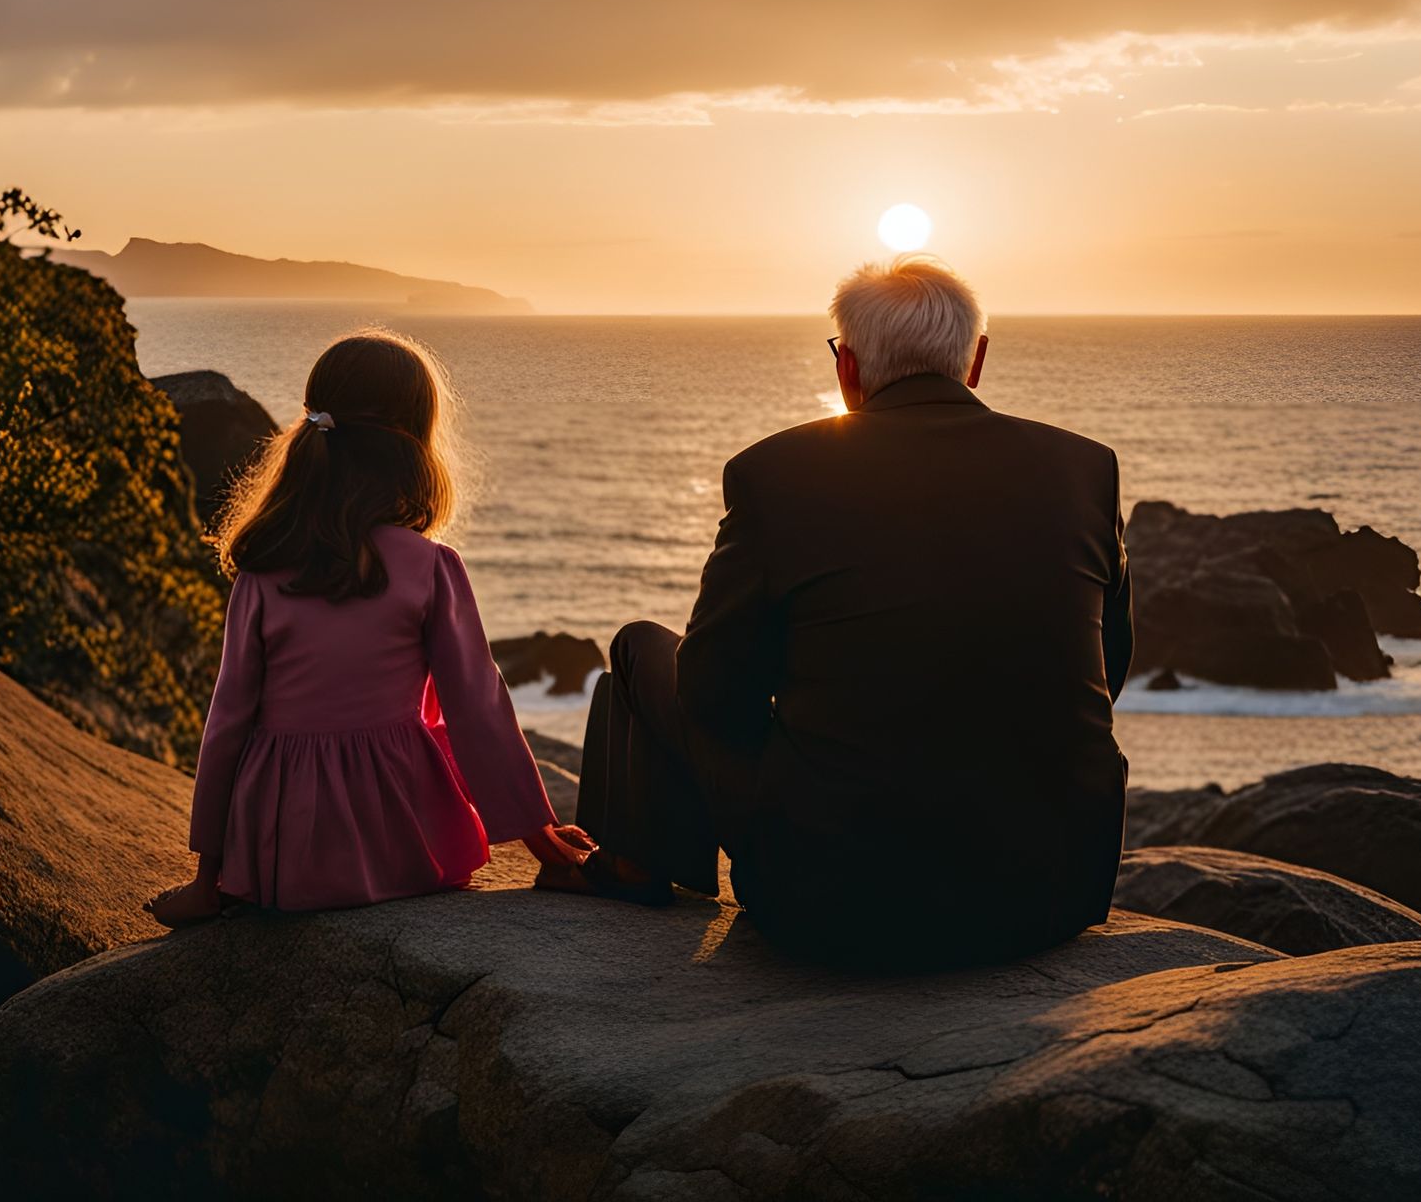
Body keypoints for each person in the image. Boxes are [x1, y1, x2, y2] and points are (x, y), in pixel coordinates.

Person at [547, 254, 1133, 971]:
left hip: (840, 906)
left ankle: (630, 865)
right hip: (1054, 895)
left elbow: (712, 692)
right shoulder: (1085, 468)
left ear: (846, 366)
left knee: (640, 649)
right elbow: (1110, 668)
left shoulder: (775, 473)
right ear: (976, 360)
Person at [146, 330, 591, 926]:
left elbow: (227, 723)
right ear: (415, 444)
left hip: (283, 862)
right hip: (402, 844)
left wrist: (209, 880)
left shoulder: (261, 570)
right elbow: (477, 710)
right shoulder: (430, 566)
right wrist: (541, 838)